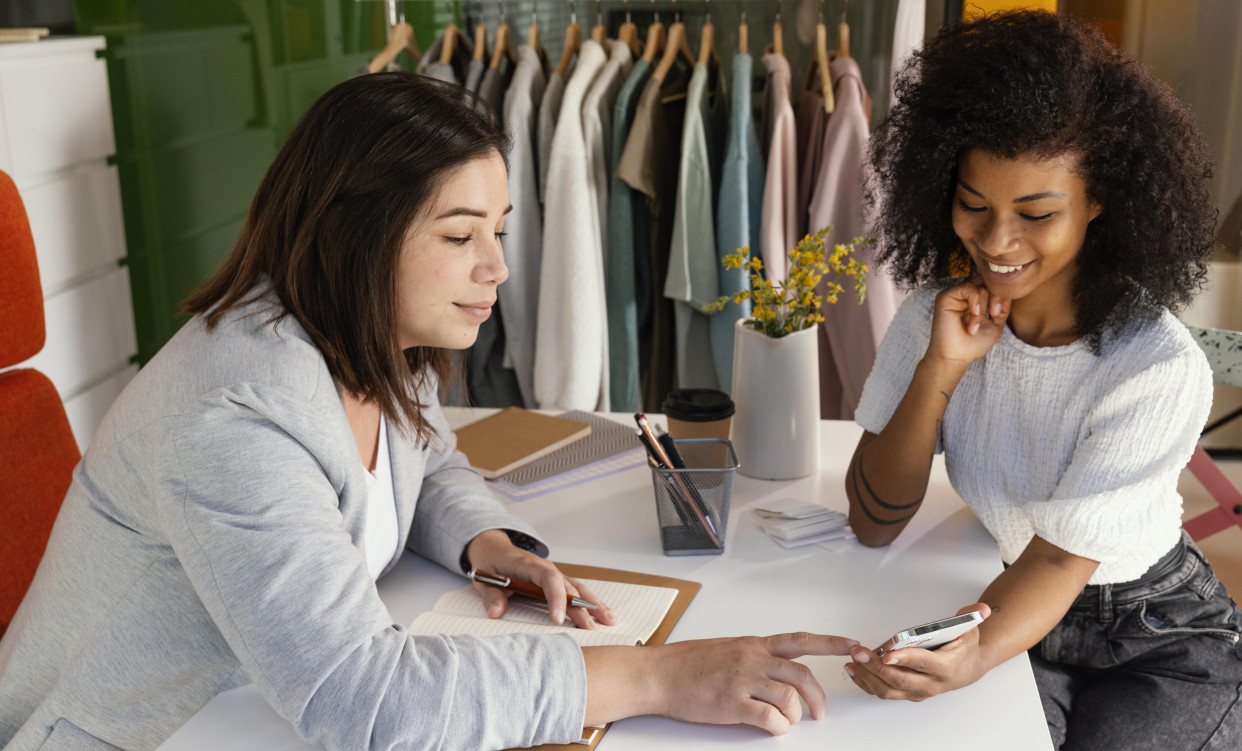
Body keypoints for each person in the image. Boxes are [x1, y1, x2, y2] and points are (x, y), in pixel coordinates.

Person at [0, 73, 856, 751]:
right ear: (357, 235)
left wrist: (489, 543)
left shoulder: (369, 333)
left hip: (259, 707)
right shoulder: (232, 414)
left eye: (500, 231)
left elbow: (428, 457)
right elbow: (361, 700)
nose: (497, 267)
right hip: (147, 732)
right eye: (459, 237)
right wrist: (654, 678)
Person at [843, 10, 1242, 751]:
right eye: (974, 204)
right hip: (1012, 604)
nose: (997, 241)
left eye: (1036, 213)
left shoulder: (1153, 364)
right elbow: (872, 518)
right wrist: (942, 367)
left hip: (1157, 637)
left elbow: (1061, 556)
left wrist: (973, 655)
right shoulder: (936, 317)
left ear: (1098, 202)